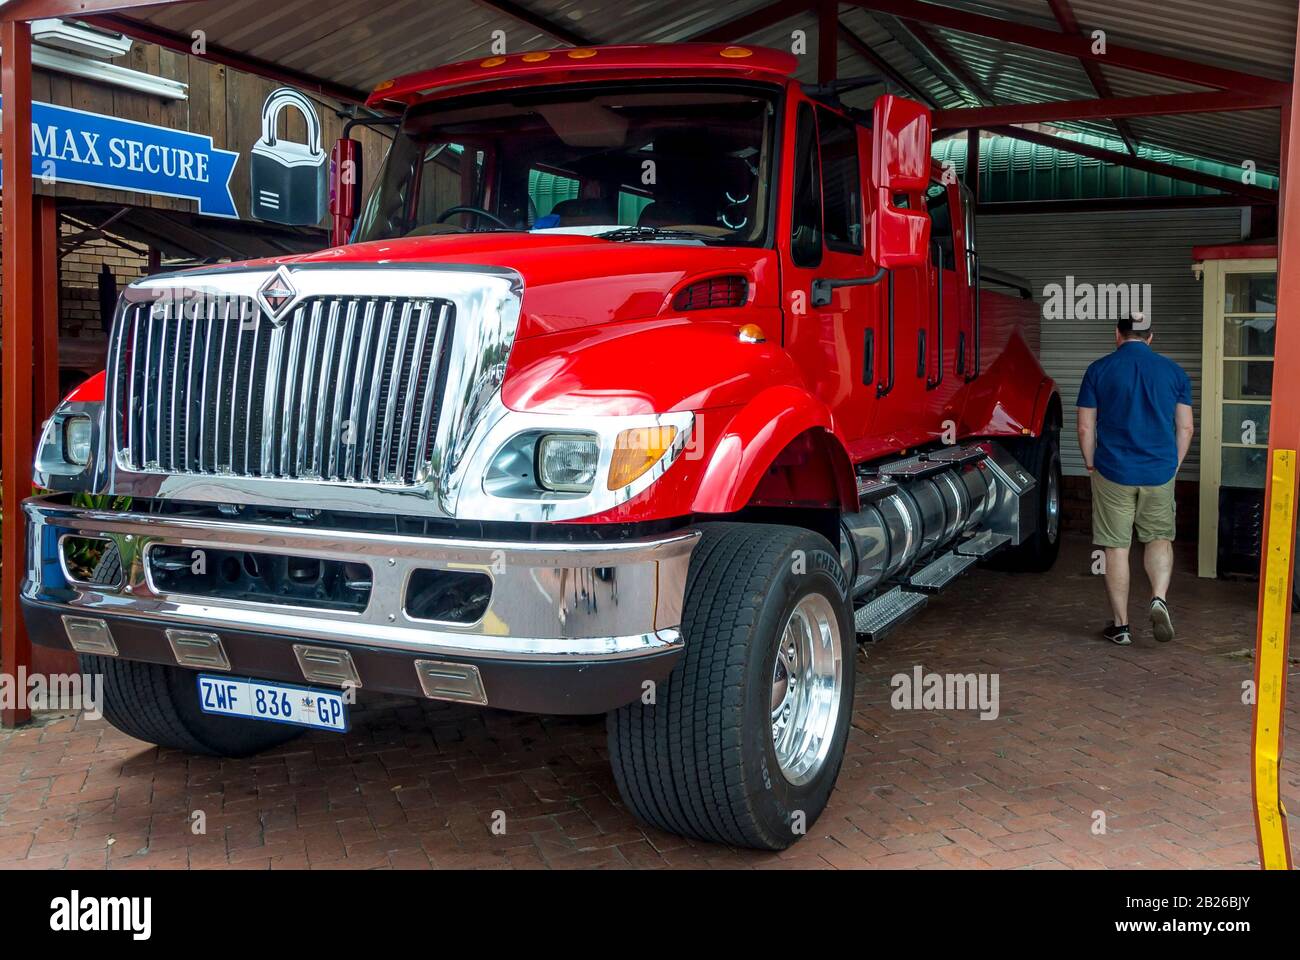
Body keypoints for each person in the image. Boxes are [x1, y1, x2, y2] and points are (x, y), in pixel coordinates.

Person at [1076, 314, 1195, 645]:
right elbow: (1185, 427)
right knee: (1158, 538)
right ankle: (1158, 597)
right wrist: (1174, 464)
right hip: (1159, 471)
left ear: (1117, 334)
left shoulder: (1098, 369)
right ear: (1150, 337)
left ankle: (1121, 626)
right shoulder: (1174, 372)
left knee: (1116, 547)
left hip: (1112, 470)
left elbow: (1085, 426)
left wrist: (1089, 463)